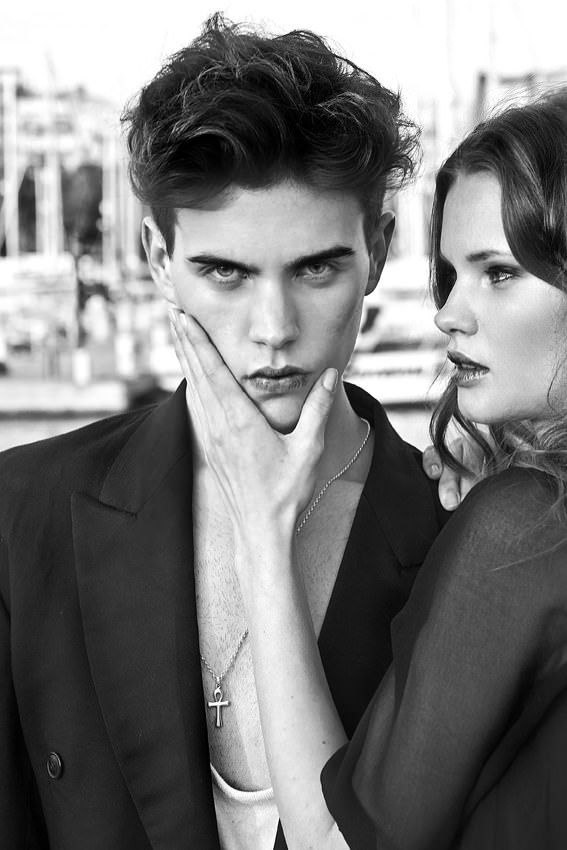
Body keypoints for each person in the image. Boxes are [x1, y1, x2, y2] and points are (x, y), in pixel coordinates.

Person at [0, 15, 453, 849]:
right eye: (224, 272)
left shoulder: (456, 530)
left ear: (379, 253)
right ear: (157, 258)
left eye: (316, 268)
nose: (272, 329)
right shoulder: (21, 513)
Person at [170, 86, 567, 850]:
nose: (449, 313)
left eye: (499, 273)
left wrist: (262, 530)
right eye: (451, 273)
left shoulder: (524, 527)